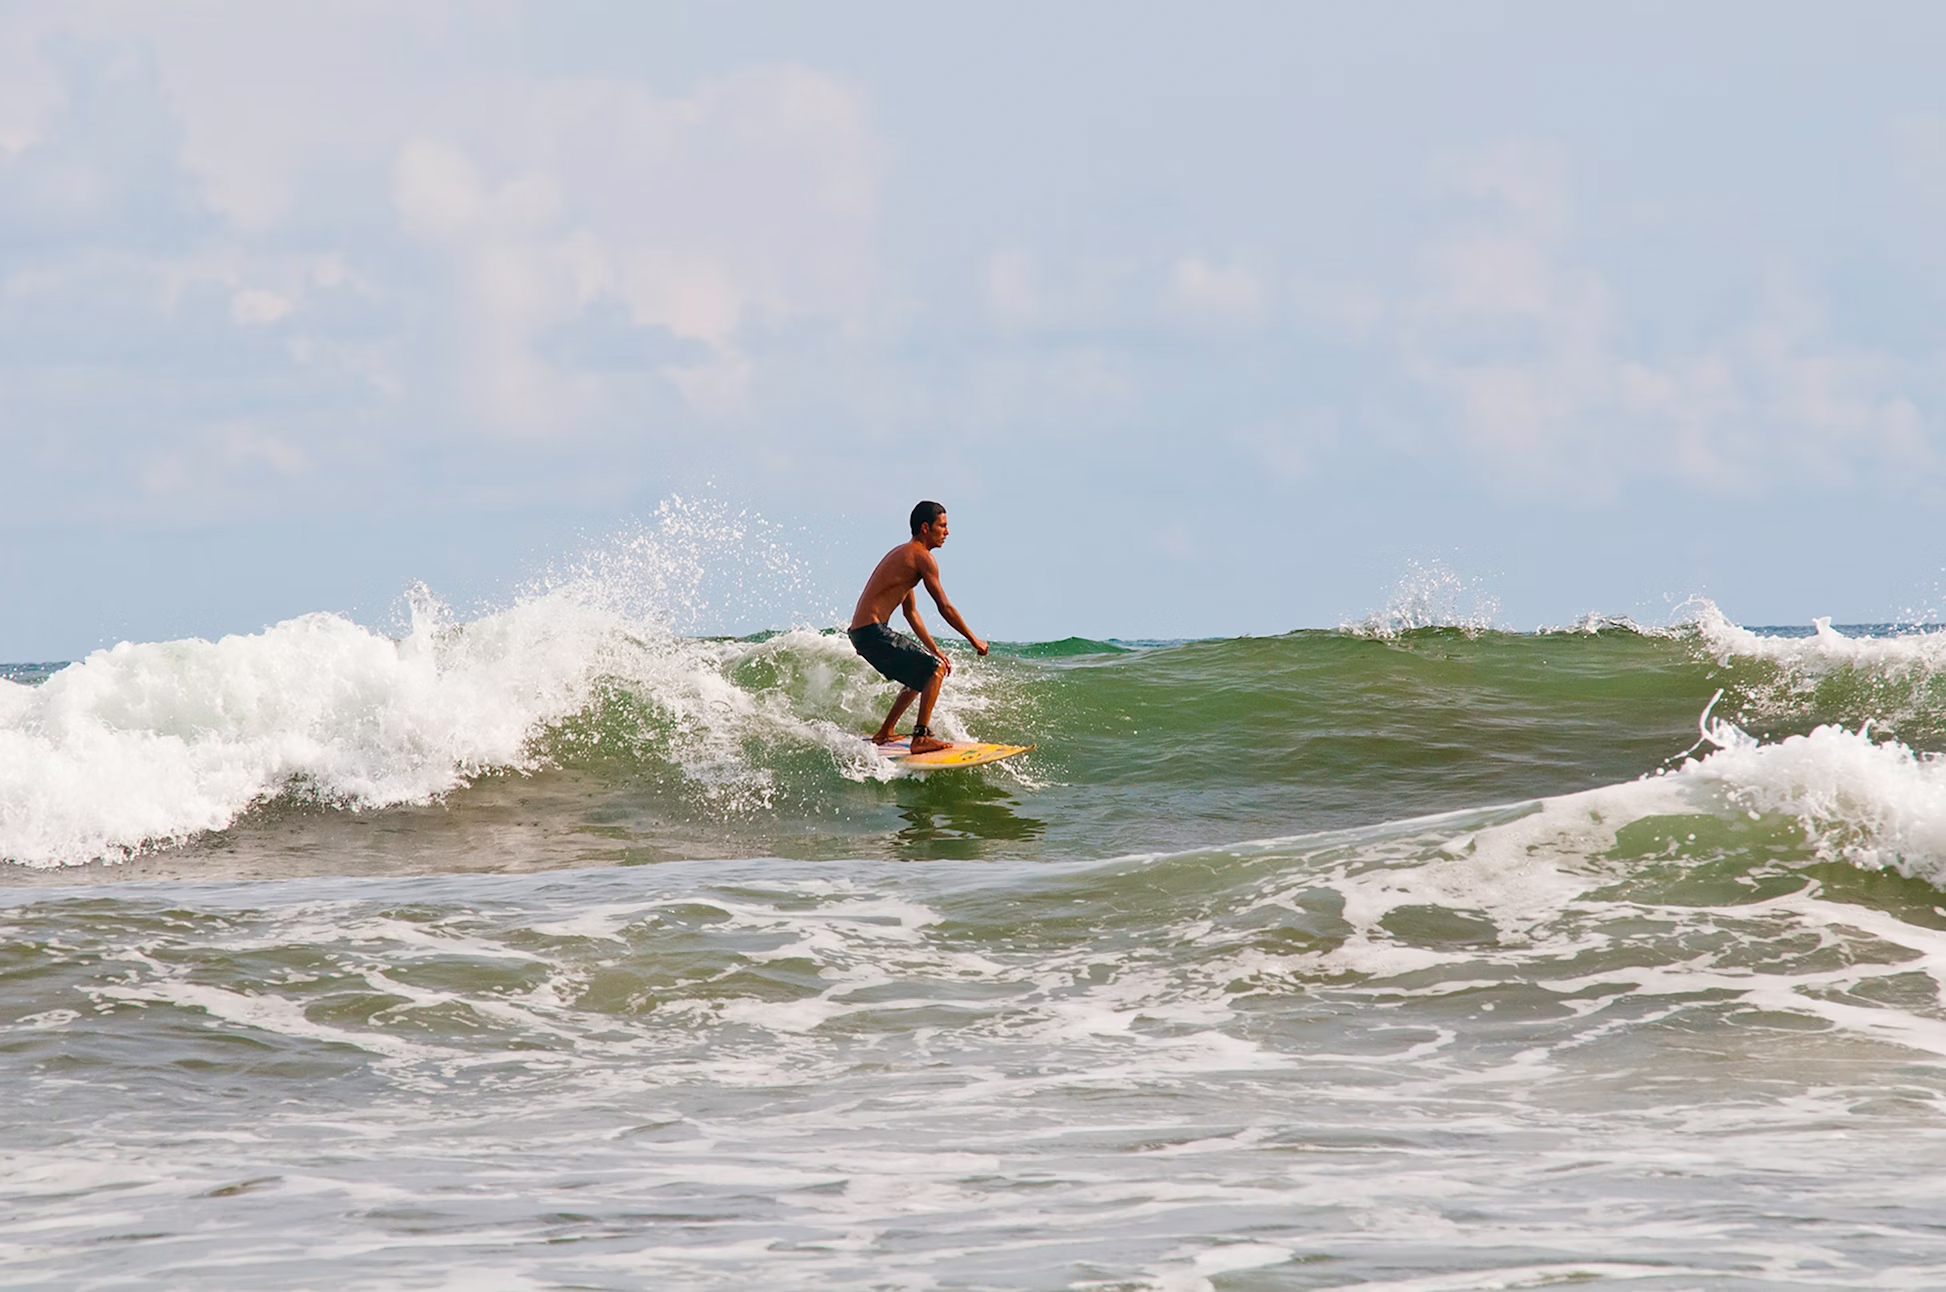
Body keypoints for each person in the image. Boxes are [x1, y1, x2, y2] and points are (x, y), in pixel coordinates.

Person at [849, 500, 989, 755]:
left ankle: (884, 733)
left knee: (921, 673)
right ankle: (920, 738)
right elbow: (944, 606)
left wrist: (934, 649)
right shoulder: (922, 557)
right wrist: (974, 640)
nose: (947, 532)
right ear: (926, 527)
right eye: (942, 526)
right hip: (872, 631)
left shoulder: (904, 555)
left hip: (862, 633)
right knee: (933, 671)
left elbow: (910, 612)